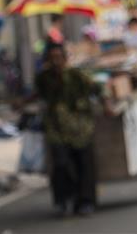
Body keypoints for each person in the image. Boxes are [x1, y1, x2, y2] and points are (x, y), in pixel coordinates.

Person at [35, 43, 100, 217]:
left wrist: (107, 103)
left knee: (84, 164)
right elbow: (38, 95)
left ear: (65, 59)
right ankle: (63, 199)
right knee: (60, 164)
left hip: (80, 126)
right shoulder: (43, 78)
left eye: (59, 58)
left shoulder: (76, 75)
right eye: (52, 58)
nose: (56, 62)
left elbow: (97, 88)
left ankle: (86, 201)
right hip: (56, 128)